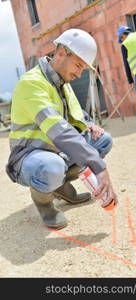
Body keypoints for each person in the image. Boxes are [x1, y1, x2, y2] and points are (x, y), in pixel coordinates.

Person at [6, 28, 118, 229]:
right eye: (78, 65)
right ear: (60, 53)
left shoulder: (62, 82)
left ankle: (62, 187)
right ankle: (45, 205)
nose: (79, 73)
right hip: (30, 156)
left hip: (57, 151)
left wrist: (88, 126)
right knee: (52, 167)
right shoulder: (32, 83)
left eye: (83, 68)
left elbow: (74, 116)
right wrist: (98, 166)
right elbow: (59, 129)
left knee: (103, 141)